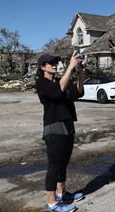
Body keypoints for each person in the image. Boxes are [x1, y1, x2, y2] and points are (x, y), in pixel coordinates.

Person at [36, 51, 86, 212]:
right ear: (43, 67)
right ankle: (52, 204)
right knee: (54, 166)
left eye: (56, 62)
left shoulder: (60, 80)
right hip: (54, 126)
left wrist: (80, 72)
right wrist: (70, 66)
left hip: (68, 124)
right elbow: (58, 91)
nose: (54, 65)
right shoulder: (42, 83)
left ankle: (62, 193)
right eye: (51, 63)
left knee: (63, 164)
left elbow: (78, 92)